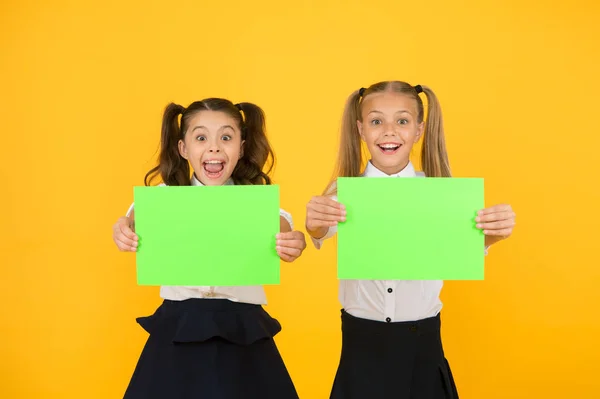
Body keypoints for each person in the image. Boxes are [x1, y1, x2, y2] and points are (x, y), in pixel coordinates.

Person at [305, 81, 516, 398]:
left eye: (402, 121)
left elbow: (469, 244)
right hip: (361, 351)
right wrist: (315, 224)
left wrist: (493, 234)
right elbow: (321, 230)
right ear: (361, 129)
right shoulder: (342, 194)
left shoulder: (443, 196)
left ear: (419, 130)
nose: (389, 131)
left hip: (423, 351)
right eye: (377, 121)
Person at [113, 98, 305, 399]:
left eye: (226, 137)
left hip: (244, 330)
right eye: (201, 137)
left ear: (241, 147)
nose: (214, 148)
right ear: (183, 149)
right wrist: (123, 229)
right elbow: (133, 219)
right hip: (179, 327)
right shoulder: (164, 199)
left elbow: (282, 225)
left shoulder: (258, 202)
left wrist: (293, 240)